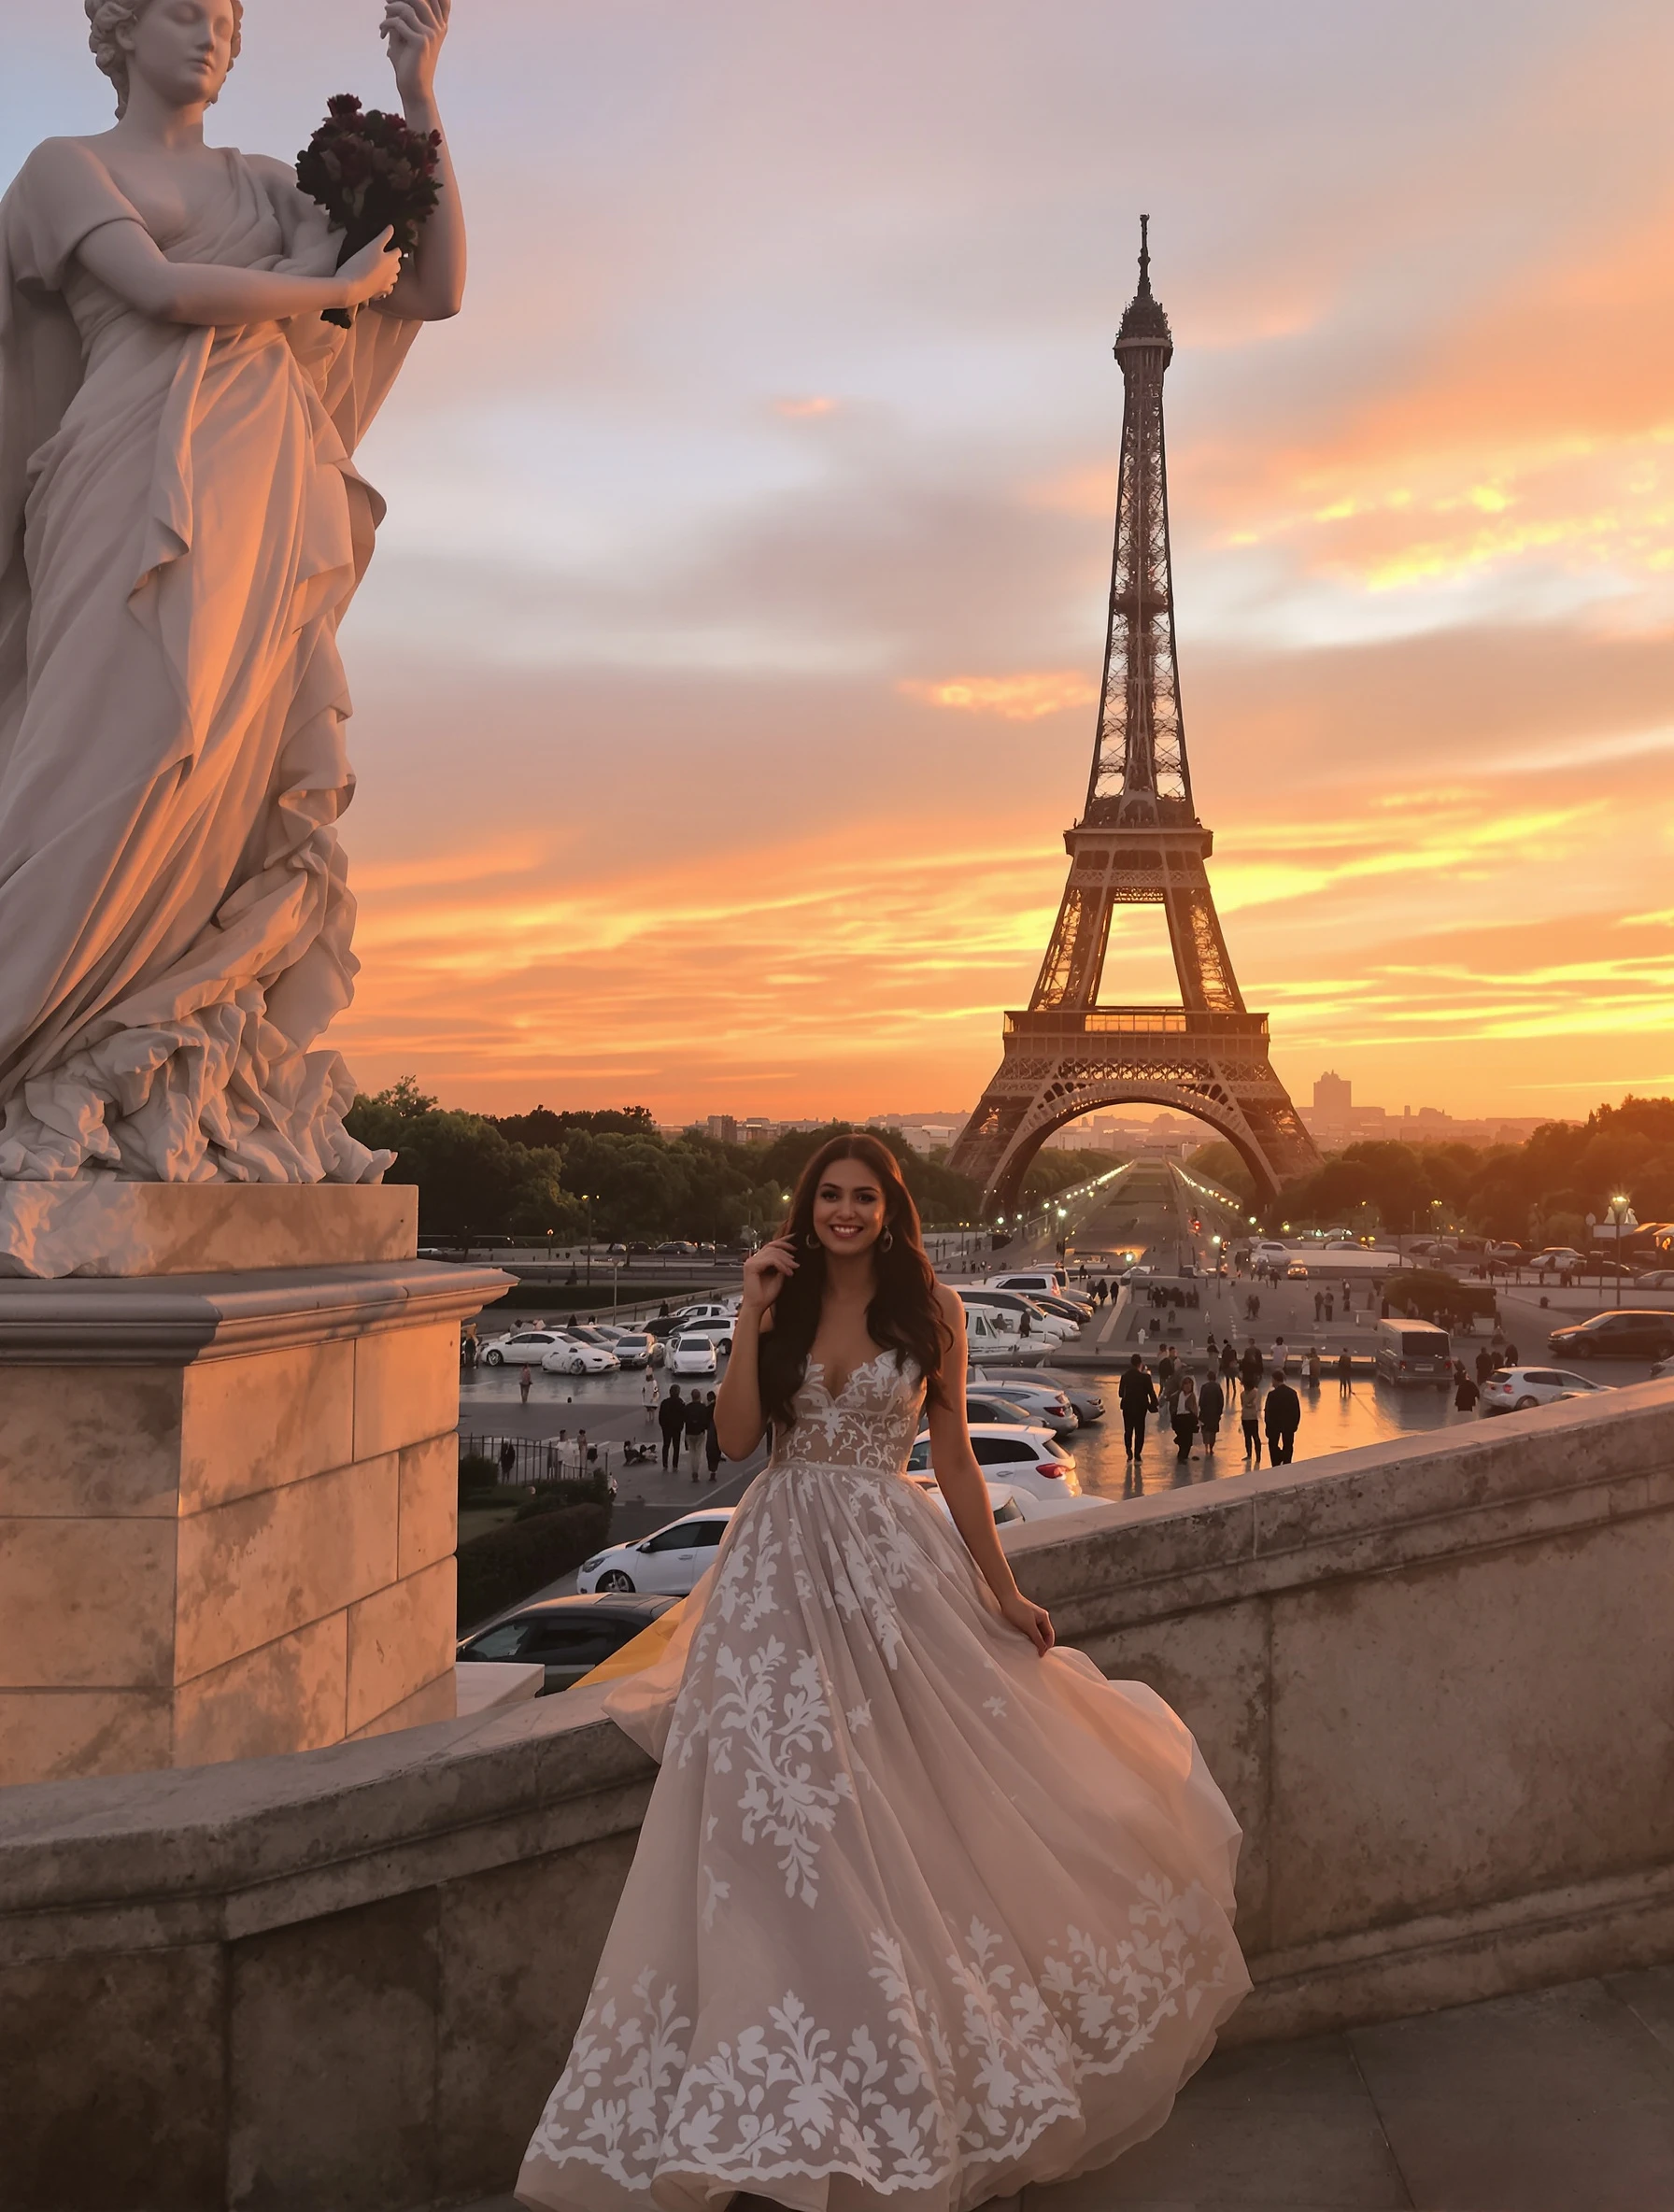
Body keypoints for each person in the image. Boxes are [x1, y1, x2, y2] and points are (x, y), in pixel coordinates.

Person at [518, 1134, 1249, 2209]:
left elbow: (952, 1452)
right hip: (778, 1568)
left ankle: (893, 2085)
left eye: (863, 1196)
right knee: (783, 1824)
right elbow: (730, 1441)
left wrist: (1000, 1589)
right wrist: (748, 1310)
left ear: (888, 1208)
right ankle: (796, 2096)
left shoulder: (932, 1306)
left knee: (901, 1811)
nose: (845, 1211)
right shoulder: (780, 1300)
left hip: (888, 1563)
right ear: (805, 1207)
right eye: (829, 1195)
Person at [0, 0, 465, 1187]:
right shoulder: (68, 167)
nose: (208, 36)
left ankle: (148, 1044)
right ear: (116, 33)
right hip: (126, 477)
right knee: (118, 751)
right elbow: (157, 294)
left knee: (231, 763)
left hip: (262, 483)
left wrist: (419, 96)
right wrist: (324, 287)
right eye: (179, 14)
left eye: (223, 19)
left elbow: (435, 288)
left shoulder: (271, 187)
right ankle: (30, 1035)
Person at [1118, 1353, 1158, 1460]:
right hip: (1141, 1408)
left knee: (1128, 1430)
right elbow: (1151, 1393)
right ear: (1140, 1364)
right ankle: (1137, 1454)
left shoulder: (1125, 1376)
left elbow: (1121, 1393)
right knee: (1139, 1431)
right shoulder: (1145, 1378)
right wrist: (1154, 1404)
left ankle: (1128, 1451)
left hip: (1127, 1407)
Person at [1264, 1368, 1301, 1466]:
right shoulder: (1292, 1393)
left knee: (1273, 1445)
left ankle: (1276, 1461)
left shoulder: (1272, 1395)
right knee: (1288, 1445)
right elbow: (1296, 1410)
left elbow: (1268, 1412)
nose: (1272, 1383)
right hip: (1288, 1425)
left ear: (1275, 1380)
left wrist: (1267, 1425)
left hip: (1274, 1425)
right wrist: (1295, 1424)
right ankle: (1287, 1462)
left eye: (1272, 1380)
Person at [682, 1389, 710, 1480]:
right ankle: (696, 1471)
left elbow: (684, 1419)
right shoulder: (703, 1407)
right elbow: (706, 1420)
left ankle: (693, 1470)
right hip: (699, 1433)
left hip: (690, 1433)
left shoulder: (687, 1407)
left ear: (692, 1397)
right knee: (698, 1452)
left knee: (692, 1452)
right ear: (699, 1397)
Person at [657, 1384, 685, 1471]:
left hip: (667, 1428)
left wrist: (663, 1426)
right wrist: (681, 1426)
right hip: (676, 1428)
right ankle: (675, 1465)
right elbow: (683, 1416)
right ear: (678, 1393)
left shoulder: (665, 1403)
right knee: (676, 1447)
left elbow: (660, 1416)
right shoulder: (680, 1403)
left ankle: (665, 1464)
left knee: (666, 1445)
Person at [1198, 1368, 1225, 1452]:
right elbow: (1221, 1401)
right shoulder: (1218, 1387)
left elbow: (1201, 1401)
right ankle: (1211, 1448)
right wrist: (1219, 1412)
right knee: (1213, 1432)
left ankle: (1206, 1446)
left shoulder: (1204, 1387)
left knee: (1205, 1430)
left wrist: (1201, 1410)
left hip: (1205, 1412)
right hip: (1215, 1413)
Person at [1240, 1376, 1263, 1462]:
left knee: (1254, 1437)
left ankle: (1256, 1456)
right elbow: (1250, 1404)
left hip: (1251, 1417)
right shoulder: (1251, 1393)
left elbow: (1252, 1404)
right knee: (1248, 1437)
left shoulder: (1254, 1392)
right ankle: (1250, 1454)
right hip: (1247, 1417)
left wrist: (1248, 1405)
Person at [702, 1389, 723, 1480]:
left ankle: (711, 1468)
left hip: (711, 1430)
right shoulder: (719, 1407)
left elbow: (705, 1421)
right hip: (718, 1430)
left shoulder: (708, 1409)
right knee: (717, 1448)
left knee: (710, 1449)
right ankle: (715, 1468)